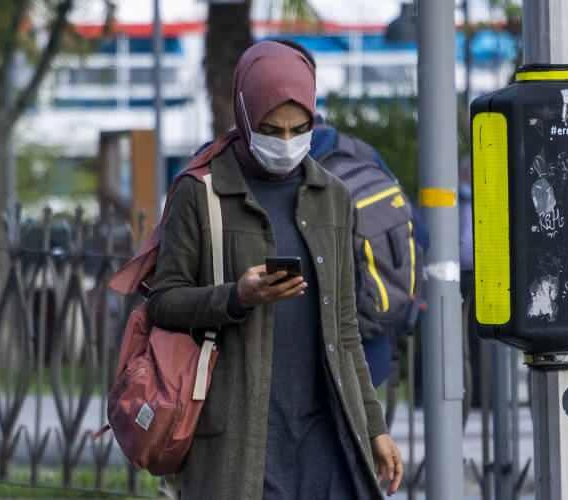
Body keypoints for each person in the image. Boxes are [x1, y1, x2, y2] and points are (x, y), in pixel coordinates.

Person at [146, 41, 402, 499]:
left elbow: (345, 331)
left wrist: (374, 427)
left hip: (325, 431)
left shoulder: (334, 197)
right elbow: (163, 301)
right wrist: (235, 297)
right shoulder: (200, 192)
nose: (285, 143)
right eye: (271, 129)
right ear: (245, 116)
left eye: (298, 129)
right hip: (240, 438)